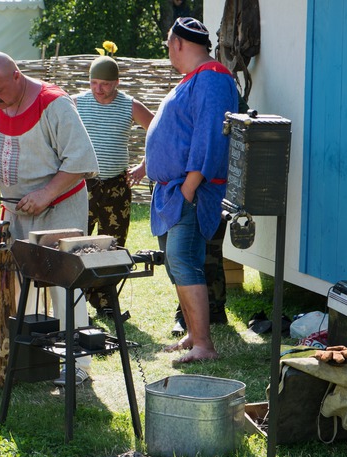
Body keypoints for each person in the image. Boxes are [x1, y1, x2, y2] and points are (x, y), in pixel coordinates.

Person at [0, 51, 99, 385]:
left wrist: (46, 194)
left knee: (65, 283)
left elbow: (80, 161)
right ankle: (34, 360)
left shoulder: (55, 105)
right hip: (17, 210)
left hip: (60, 206)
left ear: (17, 76)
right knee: (25, 285)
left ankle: (77, 363)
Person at [145, 17, 238, 364]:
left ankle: (204, 345)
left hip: (189, 190)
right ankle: (193, 335)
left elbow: (209, 135)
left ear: (178, 43)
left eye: (169, 44)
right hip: (174, 191)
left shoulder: (212, 77)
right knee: (177, 264)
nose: (168, 50)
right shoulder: (194, 79)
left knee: (185, 261)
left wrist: (188, 187)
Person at [72, 55, 153, 316]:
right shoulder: (76, 103)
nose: (98, 89)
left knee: (113, 246)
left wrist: (144, 165)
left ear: (116, 82)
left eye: (105, 84)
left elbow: (158, 132)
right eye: (94, 83)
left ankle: (106, 303)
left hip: (116, 187)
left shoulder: (130, 106)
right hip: (82, 185)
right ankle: (76, 303)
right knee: (76, 244)